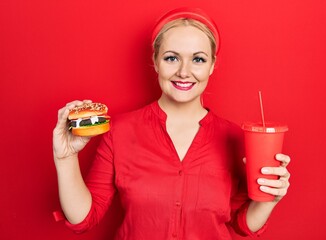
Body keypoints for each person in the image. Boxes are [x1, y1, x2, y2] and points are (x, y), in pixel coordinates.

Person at [53, 7, 291, 239]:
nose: (184, 72)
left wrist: (270, 198)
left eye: (198, 59)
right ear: (156, 62)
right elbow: (83, 218)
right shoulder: (120, 131)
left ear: (212, 65)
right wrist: (65, 158)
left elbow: (242, 224)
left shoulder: (236, 138)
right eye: (171, 58)